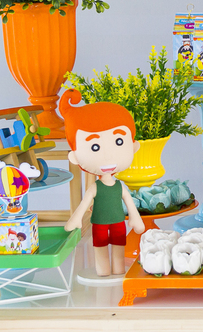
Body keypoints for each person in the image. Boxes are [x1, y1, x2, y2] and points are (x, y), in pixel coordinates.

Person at [60, 89, 146, 277]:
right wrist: (75, 219)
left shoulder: (119, 186)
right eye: (95, 146)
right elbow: (84, 204)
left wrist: (135, 218)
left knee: (118, 246)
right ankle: (102, 270)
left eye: (118, 141)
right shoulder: (95, 187)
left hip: (117, 223)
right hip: (98, 224)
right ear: (75, 157)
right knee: (99, 247)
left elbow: (130, 203)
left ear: (133, 146)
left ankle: (118, 270)